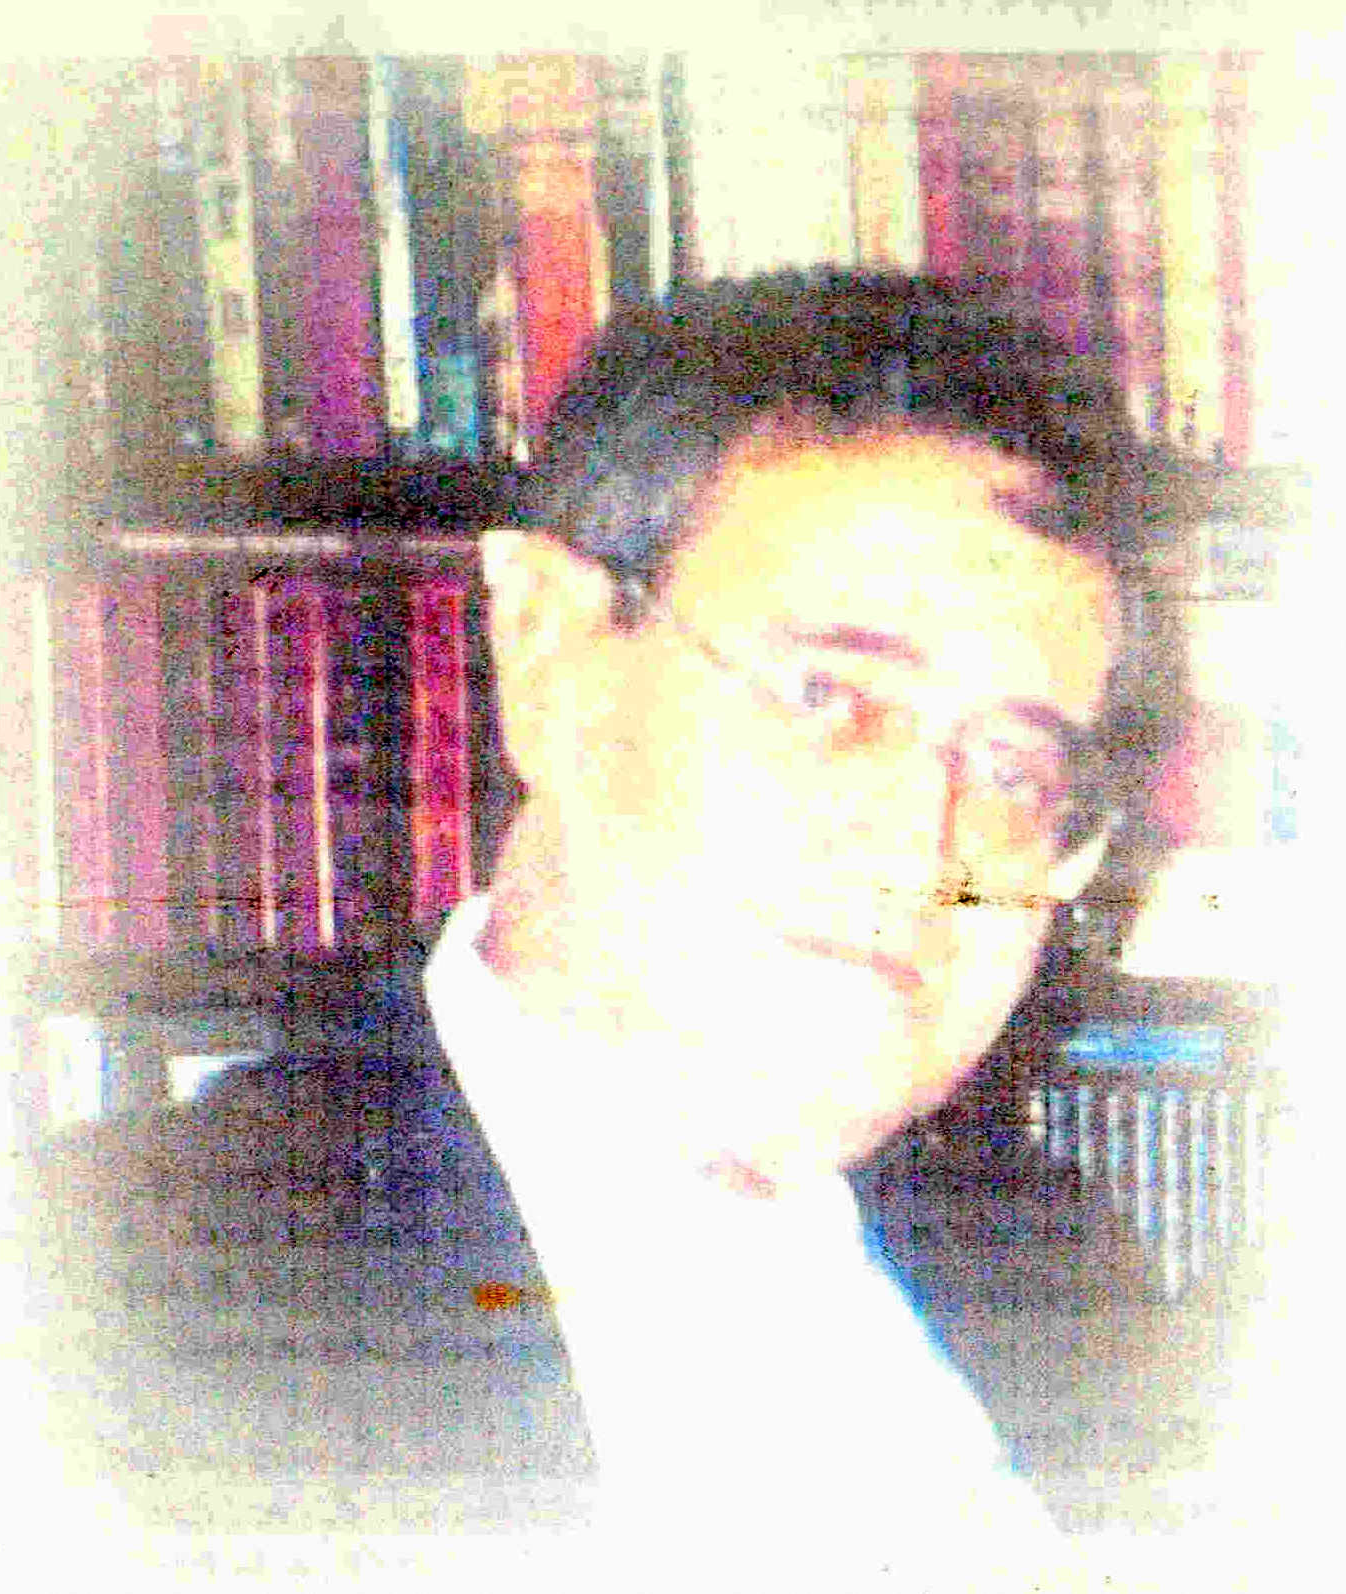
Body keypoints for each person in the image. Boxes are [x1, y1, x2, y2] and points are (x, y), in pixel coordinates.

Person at [424, 270, 1184, 1589]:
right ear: (546, 651)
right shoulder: (142, 1294)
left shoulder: (1060, 1278)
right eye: (829, 698)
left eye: (1013, 769)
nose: (917, 845)